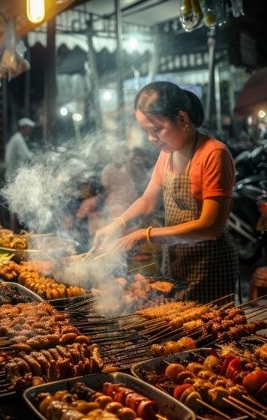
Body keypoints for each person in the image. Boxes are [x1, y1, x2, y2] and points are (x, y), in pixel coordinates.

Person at [92, 81, 238, 303]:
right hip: (176, 259)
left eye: (157, 129)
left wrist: (146, 234)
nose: (152, 138)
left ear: (182, 119)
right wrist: (117, 224)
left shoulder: (213, 154)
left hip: (210, 262)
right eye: (145, 131)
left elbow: (211, 227)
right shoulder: (167, 154)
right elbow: (148, 200)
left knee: (209, 330)